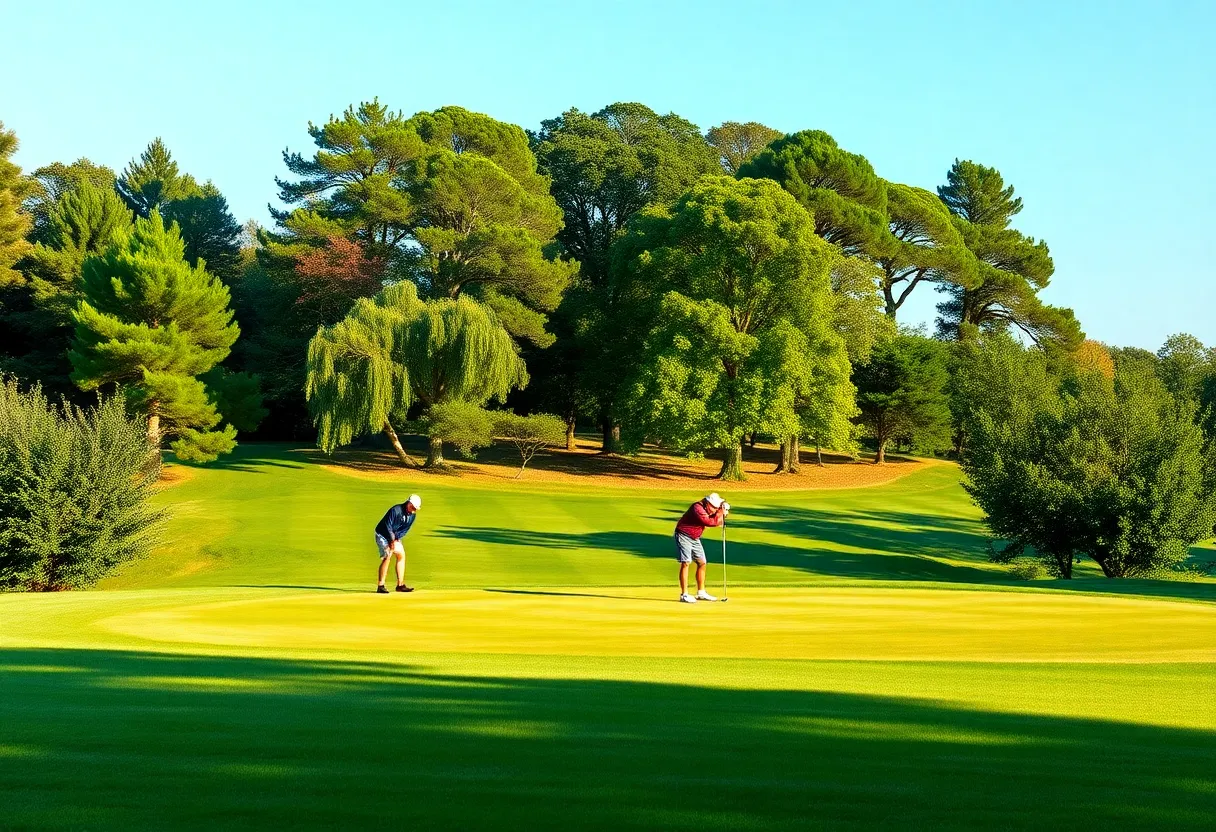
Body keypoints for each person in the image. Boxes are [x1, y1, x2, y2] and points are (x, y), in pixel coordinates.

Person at [674, 492, 729, 603]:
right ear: (707, 503)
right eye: (714, 507)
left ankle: (701, 592)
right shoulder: (697, 508)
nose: (715, 509)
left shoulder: (710, 507)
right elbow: (710, 522)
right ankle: (684, 595)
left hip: (695, 537)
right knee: (686, 562)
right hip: (683, 534)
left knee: (702, 562)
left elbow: (720, 508)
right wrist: (721, 513)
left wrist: (723, 507)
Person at [375, 494, 422, 594]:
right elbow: (388, 526)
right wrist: (391, 541)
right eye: (413, 507)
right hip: (382, 535)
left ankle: (400, 585)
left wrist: (396, 539)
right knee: (388, 555)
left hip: (394, 538)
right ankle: (381, 585)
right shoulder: (395, 510)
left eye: (415, 508)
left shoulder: (412, 515)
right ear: (408, 503)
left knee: (401, 555)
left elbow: (404, 530)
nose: (414, 510)